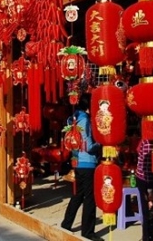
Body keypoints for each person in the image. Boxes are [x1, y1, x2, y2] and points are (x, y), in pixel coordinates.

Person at [60, 98, 102, 241]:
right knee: (90, 198)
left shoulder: (74, 119)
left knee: (78, 194)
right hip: (88, 162)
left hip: (77, 161)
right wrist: (100, 143)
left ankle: (66, 224)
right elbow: (89, 146)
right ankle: (88, 231)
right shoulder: (85, 120)